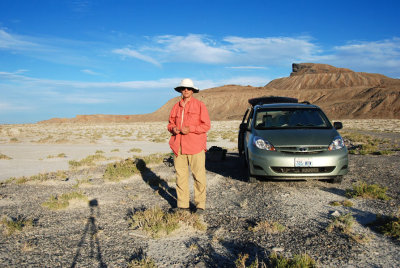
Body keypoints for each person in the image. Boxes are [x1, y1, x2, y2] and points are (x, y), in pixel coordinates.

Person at [167, 78, 211, 215]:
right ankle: (183, 206)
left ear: (192, 91)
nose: (186, 90)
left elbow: (206, 125)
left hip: (195, 146)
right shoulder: (176, 106)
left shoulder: (199, 105)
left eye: (188, 88)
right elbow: (169, 124)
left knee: (199, 176)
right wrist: (173, 129)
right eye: (184, 88)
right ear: (181, 90)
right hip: (178, 146)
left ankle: (200, 206)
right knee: (181, 176)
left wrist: (190, 129)